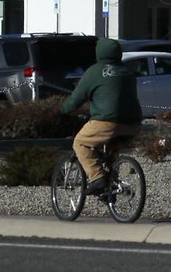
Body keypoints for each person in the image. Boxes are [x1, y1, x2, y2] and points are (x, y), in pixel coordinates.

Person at [61, 38, 142, 193]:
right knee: (111, 151)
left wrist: (63, 112)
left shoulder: (95, 71)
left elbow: (76, 99)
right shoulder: (127, 71)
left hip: (107, 121)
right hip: (133, 124)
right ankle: (110, 186)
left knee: (80, 143)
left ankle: (97, 178)